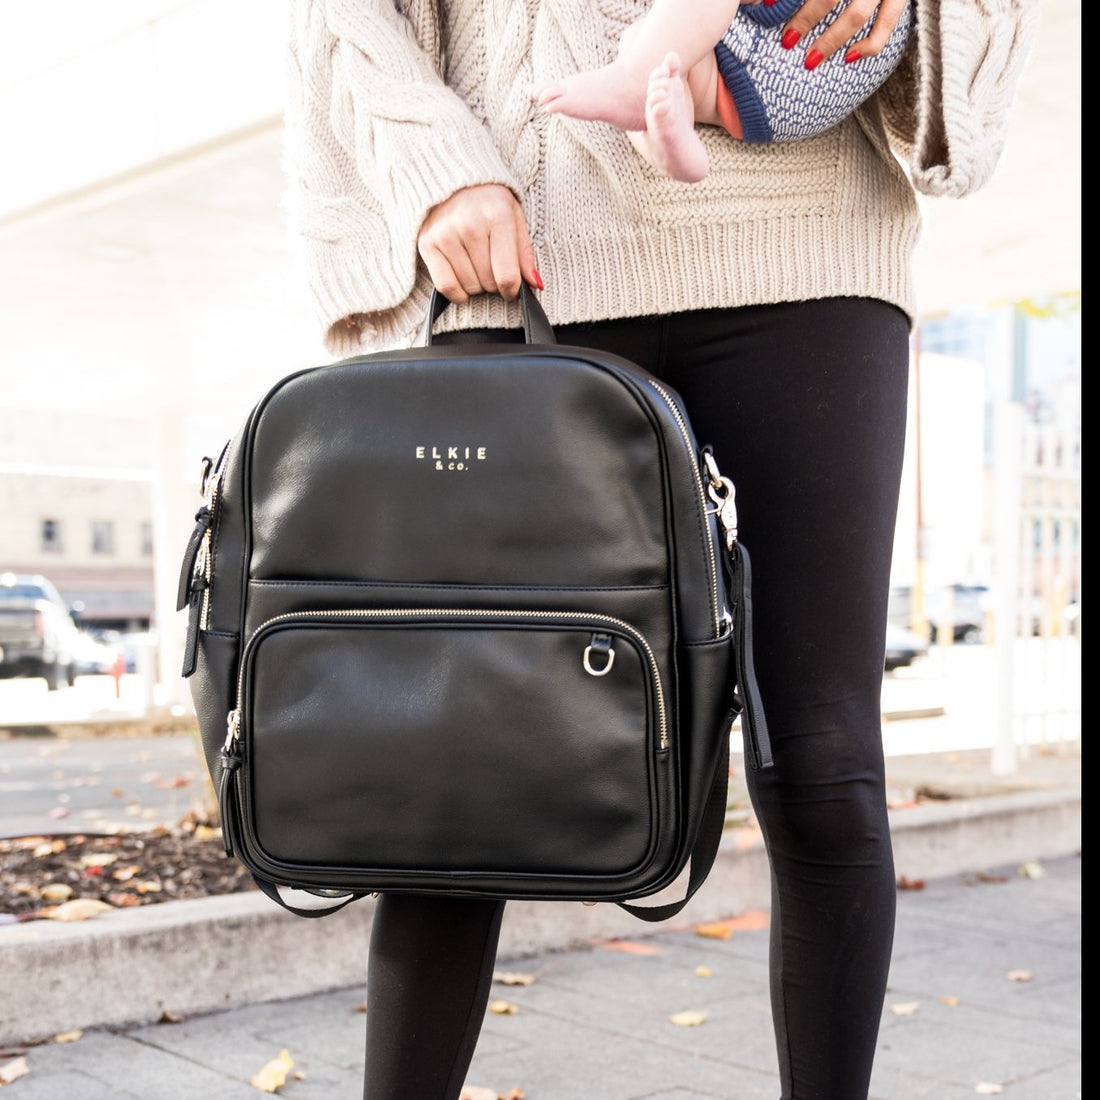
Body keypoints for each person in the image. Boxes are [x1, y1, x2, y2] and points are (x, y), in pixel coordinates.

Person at [282, 0, 1039, 1096]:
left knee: (820, 765)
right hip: (522, 239)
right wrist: (430, 166)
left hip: (808, 247)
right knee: (456, 760)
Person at [530, 0, 913, 180]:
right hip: (803, 90)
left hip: (838, 31)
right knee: (658, 63)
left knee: (649, 59)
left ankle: (635, 82)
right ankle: (674, 149)